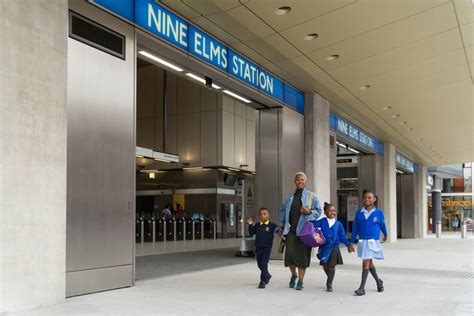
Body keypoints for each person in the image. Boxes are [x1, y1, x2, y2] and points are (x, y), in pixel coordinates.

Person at [279, 172, 322, 291]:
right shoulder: (290, 196)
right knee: (290, 255)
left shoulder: (311, 196)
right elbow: (283, 210)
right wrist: (281, 222)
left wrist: (308, 212)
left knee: (302, 257)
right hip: (291, 230)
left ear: (305, 181)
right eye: (298, 180)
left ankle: (301, 281)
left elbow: (319, 211)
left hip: (304, 231)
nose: (300, 182)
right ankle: (294, 275)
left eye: (302, 180)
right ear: (295, 181)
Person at [350, 190, 387, 296]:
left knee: (365, 262)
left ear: (374, 199)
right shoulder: (359, 213)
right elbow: (355, 228)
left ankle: (361, 288)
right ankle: (379, 282)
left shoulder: (378, 213)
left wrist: (385, 233)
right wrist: (351, 241)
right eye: (365, 197)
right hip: (362, 241)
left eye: (369, 197)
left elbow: (382, 225)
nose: (367, 199)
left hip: (372, 242)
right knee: (369, 263)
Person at [313, 202, 354, 292]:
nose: (333, 212)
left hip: (334, 248)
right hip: (324, 247)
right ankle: (330, 277)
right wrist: (311, 215)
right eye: (330, 211)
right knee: (324, 265)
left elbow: (343, 236)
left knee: (332, 266)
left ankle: (329, 284)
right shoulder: (322, 221)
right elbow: (313, 225)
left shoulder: (338, 224)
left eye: (334, 211)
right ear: (325, 212)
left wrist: (348, 245)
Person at [247, 208, 279, 289]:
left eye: (265, 214)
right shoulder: (258, 225)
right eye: (261, 214)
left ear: (268, 215)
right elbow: (251, 233)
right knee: (260, 265)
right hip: (258, 248)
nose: (262, 216)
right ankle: (267, 275)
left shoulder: (272, 226)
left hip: (267, 249)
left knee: (264, 264)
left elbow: (279, 231)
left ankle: (262, 281)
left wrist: (281, 230)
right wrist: (250, 224)